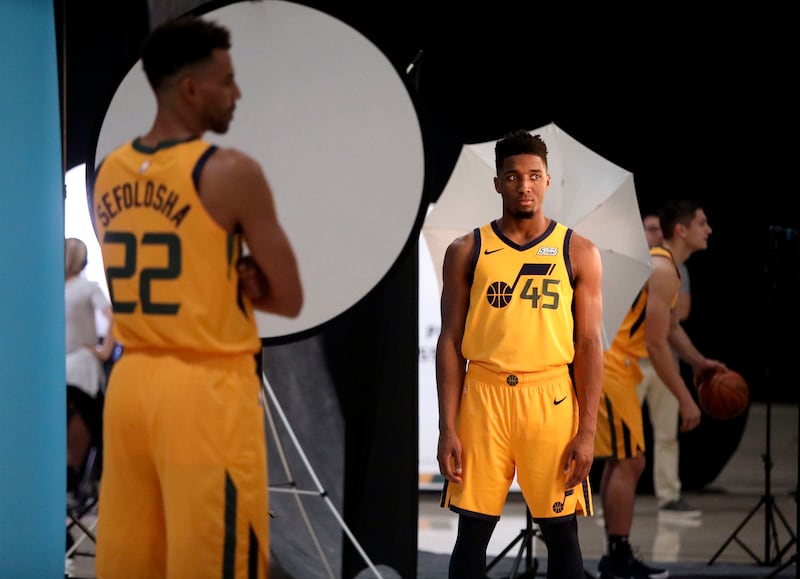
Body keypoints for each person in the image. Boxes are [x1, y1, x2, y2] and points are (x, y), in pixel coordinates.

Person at [89, 16, 303, 579]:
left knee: (131, 560)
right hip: (204, 391)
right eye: (226, 80)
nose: (237, 94)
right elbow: (289, 298)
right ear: (190, 89)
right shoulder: (229, 171)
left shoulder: (109, 171)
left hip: (130, 385)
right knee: (215, 562)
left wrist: (224, 276)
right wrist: (249, 280)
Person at [436, 129, 604, 579]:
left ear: (547, 181)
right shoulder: (466, 250)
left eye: (533, 175)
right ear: (497, 183)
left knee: (562, 534)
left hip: (550, 396)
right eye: (512, 176)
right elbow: (449, 340)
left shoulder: (578, 251)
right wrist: (447, 426)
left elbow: (589, 345)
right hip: (484, 397)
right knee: (472, 532)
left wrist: (588, 431)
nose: (523, 185)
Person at [594, 199, 725, 579]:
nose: (709, 229)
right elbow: (655, 343)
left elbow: (670, 328)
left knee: (624, 460)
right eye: (702, 222)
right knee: (630, 461)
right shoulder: (663, 269)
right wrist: (686, 399)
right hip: (612, 365)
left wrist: (698, 363)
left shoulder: (665, 265)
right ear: (681, 230)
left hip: (620, 365)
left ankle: (615, 554)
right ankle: (617, 556)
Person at [638, 212, 700, 519]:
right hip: (629, 363)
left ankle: (669, 495)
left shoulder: (674, 268)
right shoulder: (636, 265)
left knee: (667, 434)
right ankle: (606, 504)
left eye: (658, 229)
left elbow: (680, 315)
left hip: (663, 361)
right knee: (620, 446)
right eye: (650, 229)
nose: (657, 234)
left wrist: (699, 362)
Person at [64, 237, 115, 496]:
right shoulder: (87, 288)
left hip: (60, 368)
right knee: (102, 431)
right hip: (81, 369)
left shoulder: (53, 291)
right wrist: (105, 351)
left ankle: (70, 478)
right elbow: (113, 317)